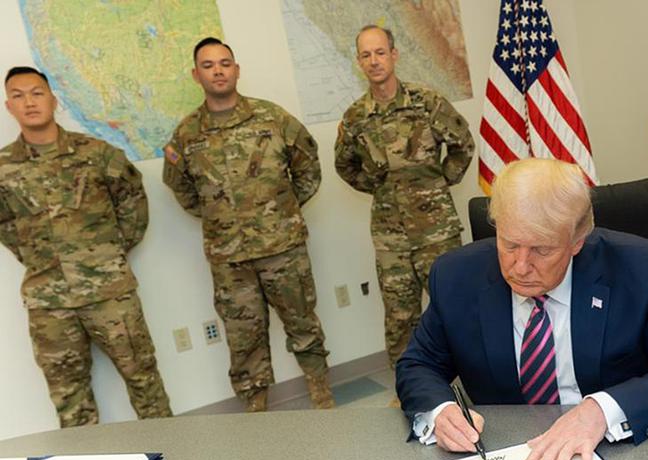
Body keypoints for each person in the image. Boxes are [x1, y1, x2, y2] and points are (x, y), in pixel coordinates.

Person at [396, 158, 648, 460]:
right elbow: (418, 364)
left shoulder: (639, 268)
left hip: (617, 455)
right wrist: (441, 411)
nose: (520, 266)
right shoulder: (456, 276)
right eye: (509, 244)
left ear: (577, 241)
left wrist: (601, 411)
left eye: (541, 250)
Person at [162, 38, 334, 411]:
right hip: (230, 261)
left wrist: (281, 212)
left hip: (284, 250)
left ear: (237, 70)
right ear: (196, 75)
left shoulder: (272, 118)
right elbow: (181, 189)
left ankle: (322, 398)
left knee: (304, 327)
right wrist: (222, 220)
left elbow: (308, 167)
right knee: (244, 341)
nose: (218, 70)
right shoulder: (187, 134)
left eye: (225, 63)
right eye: (208, 65)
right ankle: (256, 416)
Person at [0, 66, 173, 427]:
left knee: (144, 381)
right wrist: (42, 259)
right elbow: (6, 227)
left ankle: (175, 455)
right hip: (49, 302)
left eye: (36, 92)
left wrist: (108, 255)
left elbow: (133, 204)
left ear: (53, 100)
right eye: (18, 95)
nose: (29, 102)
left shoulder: (97, 154)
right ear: (8, 106)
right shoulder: (3, 168)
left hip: (111, 294)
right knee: (69, 398)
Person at [335, 25, 474, 368]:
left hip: (436, 231)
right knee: (400, 318)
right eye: (366, 55)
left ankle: (477, 379)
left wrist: (441, 181)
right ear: (359, 62)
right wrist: (377, 186)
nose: (374, 61)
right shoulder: (355, 117)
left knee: (456, 308)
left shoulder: (426, 102)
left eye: (380, 52)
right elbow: (345, 165)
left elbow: (463, 144)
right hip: (390, 236)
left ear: (394, 55)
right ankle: (408, 385)